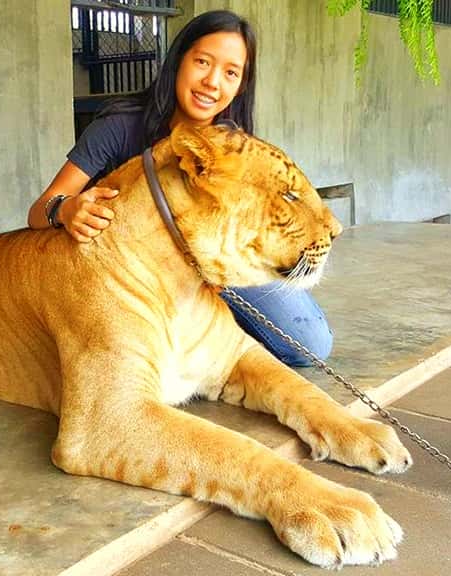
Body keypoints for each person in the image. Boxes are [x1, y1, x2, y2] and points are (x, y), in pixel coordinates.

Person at [28, 9, 333, 367]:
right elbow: (39, 210)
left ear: (241, 85)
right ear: (179, 60)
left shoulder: (236, 146)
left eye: (230, 73)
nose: (212, 82)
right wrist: (66, 209)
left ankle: (214, 338)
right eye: (203, 62)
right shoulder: (119, 126)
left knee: (311, 343)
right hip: (130, 275)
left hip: (211, 268)